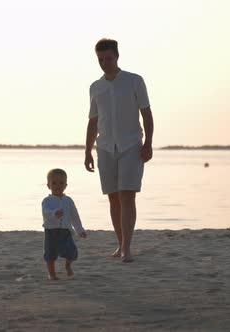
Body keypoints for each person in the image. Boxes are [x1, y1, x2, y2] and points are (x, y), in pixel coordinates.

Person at [84, 38, 154, 263]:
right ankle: (119, 242)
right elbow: (93, 122)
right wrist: (87, 151)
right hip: (104, 147)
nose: (105, 63)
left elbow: (147, 114)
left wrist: (148, 143)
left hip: (131, 145)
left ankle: (127, 247)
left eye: (108, 58)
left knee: (127, 195)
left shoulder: (134, 81)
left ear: (117, 56)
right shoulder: (96, 87)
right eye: (100, 59)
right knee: (113, 198)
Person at [41, 168, 87, 280]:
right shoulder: (47, 201)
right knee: (50, 254)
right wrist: (54, 213)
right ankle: (52, 274)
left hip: (65, 231)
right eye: (54, 183)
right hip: (51, 231)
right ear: (49, 185)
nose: (58, 186)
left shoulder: (68, 201)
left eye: (61, 183)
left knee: (71, 251)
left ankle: (68, 265)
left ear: (66, 185)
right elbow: (45, 213)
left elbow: (74, 216)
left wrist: (80, 230)